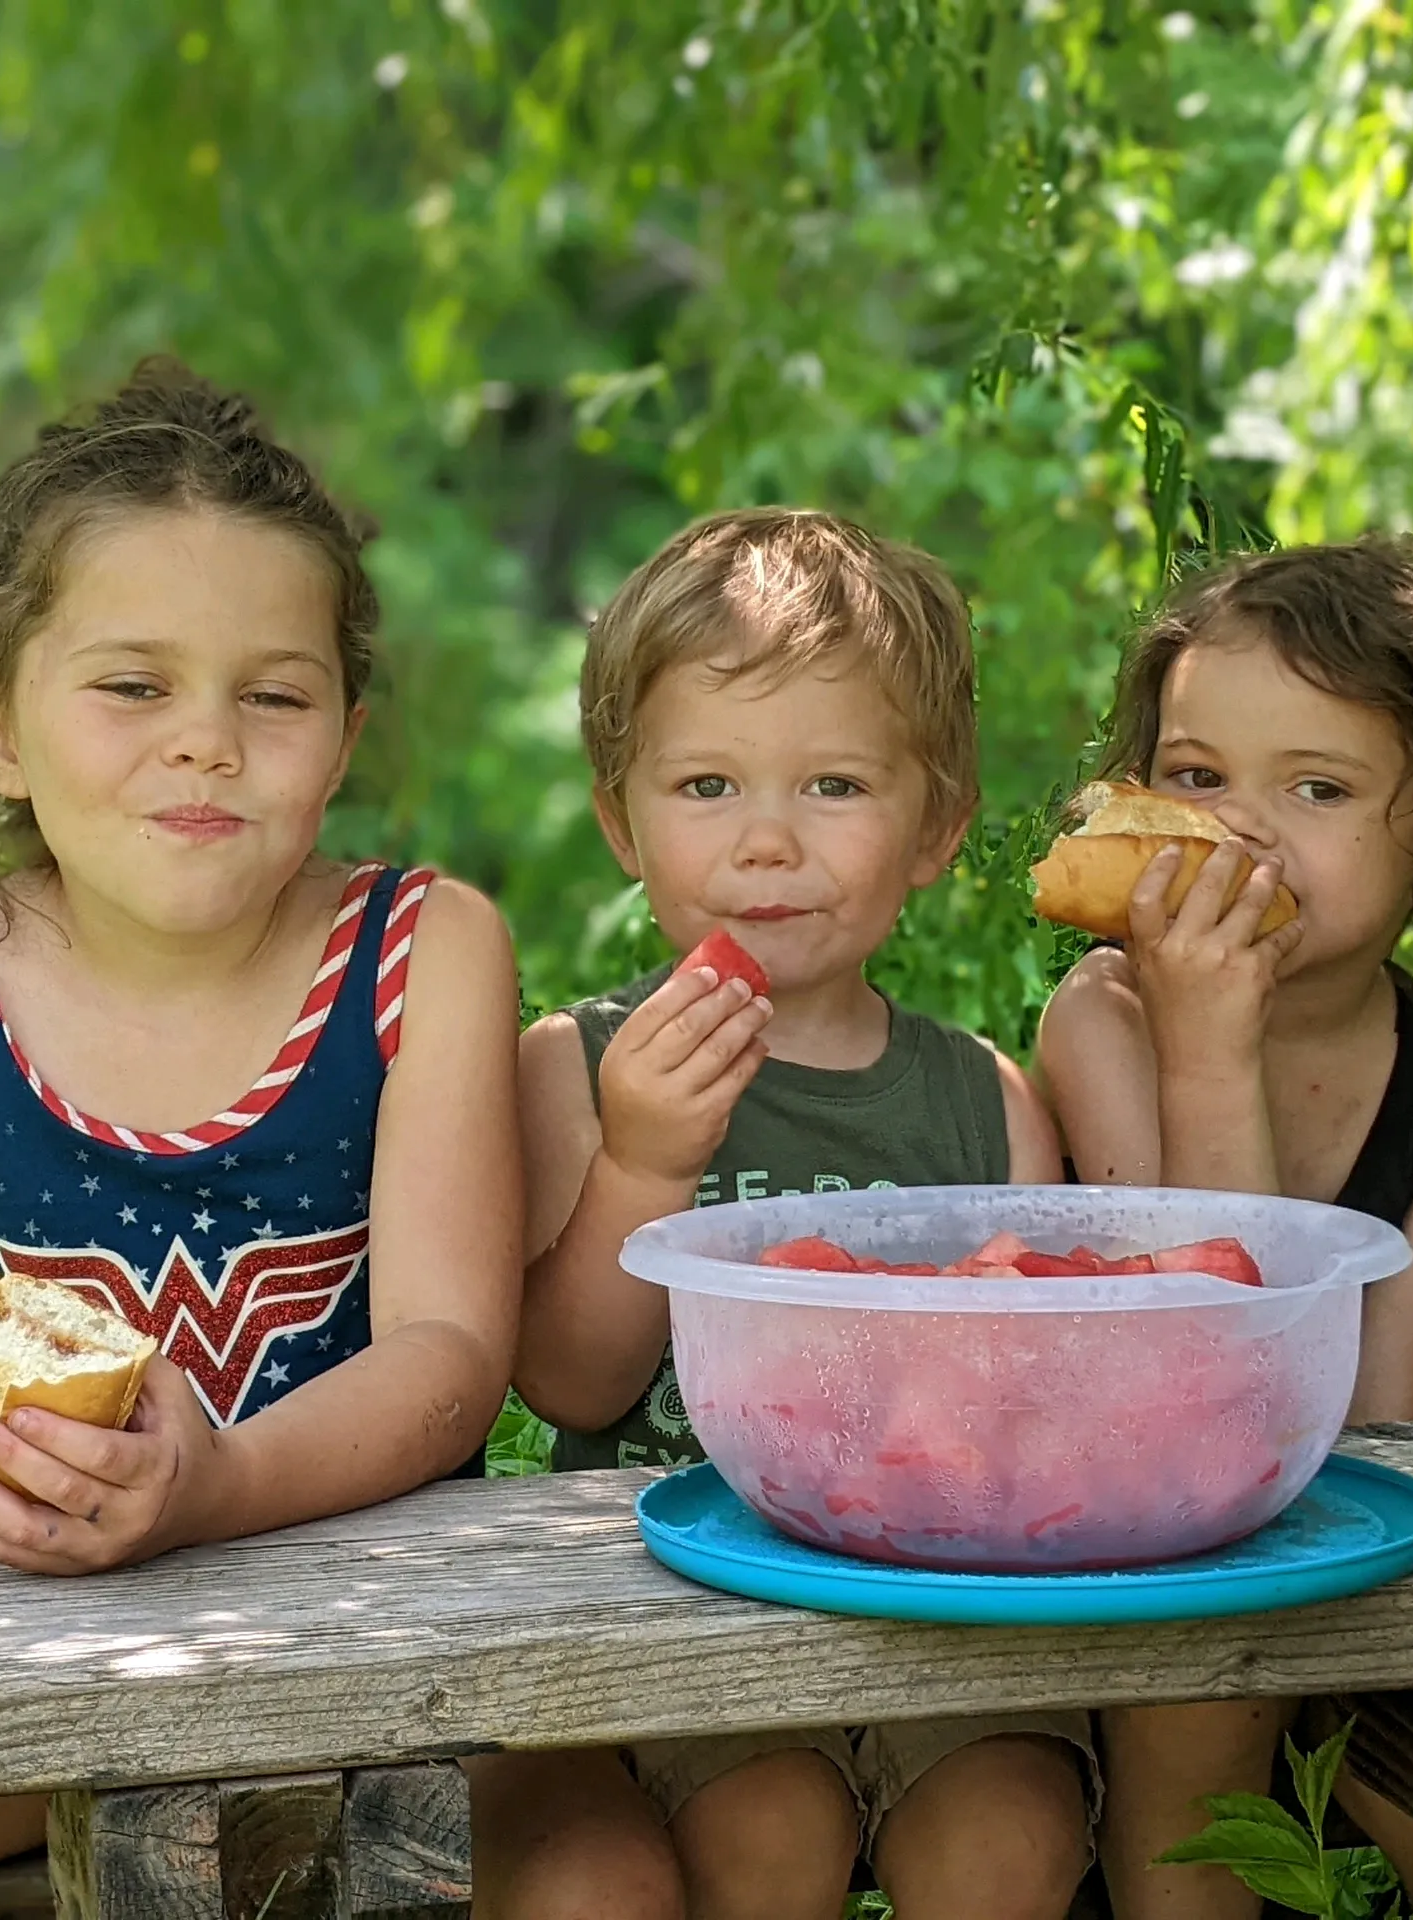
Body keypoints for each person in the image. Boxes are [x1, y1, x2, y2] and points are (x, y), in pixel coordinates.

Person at [0, 361, 523, 1917]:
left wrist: (209, 1488)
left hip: (403, 1659)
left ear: (342, 737)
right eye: (133, 685)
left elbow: (450, 1350)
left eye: (271, 695)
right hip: (51, 1667)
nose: (206, 741)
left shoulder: (425, 952)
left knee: (605, 1885)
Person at [476, 508, 1095, 1920]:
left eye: (831, 785)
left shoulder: (987, 1101)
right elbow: (568, 1380)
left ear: (935, 828)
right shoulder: (575, 1069)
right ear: (620, 822)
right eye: (705, 786)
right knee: (774, 1833)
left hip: (946, 1601)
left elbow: (1044, 1393)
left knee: (1006, 1832)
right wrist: (643, 1164)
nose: (767, 842)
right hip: (690, 1606)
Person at [1036, 536, 1413, 1920]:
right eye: (1196, 779)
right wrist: (1206, 1049)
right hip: (1118, 1531)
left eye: (1316, 787)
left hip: (1337, 1535)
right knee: (1197, 1714)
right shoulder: (1105, 1021)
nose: (1239, 829)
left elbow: (1368, 1420)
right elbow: (1205, 1387)